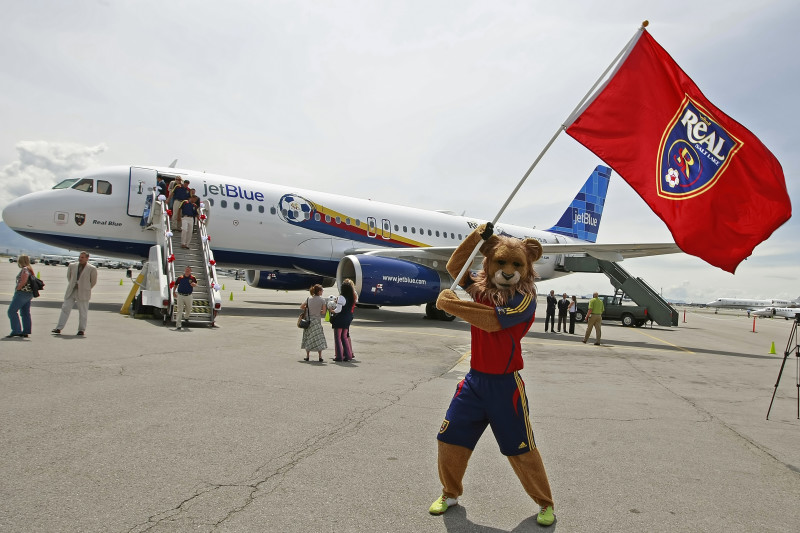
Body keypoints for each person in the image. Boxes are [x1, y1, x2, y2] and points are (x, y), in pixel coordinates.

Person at [52, 251, 98, 336]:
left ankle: (81, 330)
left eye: (82, 257)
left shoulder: (92, 268)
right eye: (80, 257)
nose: (80, 259)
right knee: (65, 308)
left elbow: (93, 281)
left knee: (83, 312)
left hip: (83, 292)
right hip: (71, 291)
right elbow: (69, 277)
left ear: (87, 258)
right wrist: (74, 284)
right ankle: (58, 328)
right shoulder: (72, 266)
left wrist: (86, 288)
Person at [7, 255, 35, 338]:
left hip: (22, 293)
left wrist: (18, 288)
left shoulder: (25, 269)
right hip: (29, 294)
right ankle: (26, 331)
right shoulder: (30, 269)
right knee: (25, 313)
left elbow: (24, 280)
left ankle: (16, 330)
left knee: (11, 311)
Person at [330, 279, 357, 362]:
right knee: (344, 337)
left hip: (340, 318)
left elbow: (338, 310)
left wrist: (332, 310)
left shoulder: (342, 297)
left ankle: (339, 356)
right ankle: (348, 355)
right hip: (348, 317)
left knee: (338, 338)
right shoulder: (352, 297)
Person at [300, 284, 328, 362]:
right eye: (322, 290)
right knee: (318, 338)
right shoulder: (322, 300)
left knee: (308, 337)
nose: (322, 291)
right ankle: (320, 356)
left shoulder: (309, 299)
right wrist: (318, 310)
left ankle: (307, 356)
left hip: (309, 321)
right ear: (319, 291)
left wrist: (308, 308)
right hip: (317, 321)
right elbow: (324, 312)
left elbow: (301, 307)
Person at [173, 266, 197, 331]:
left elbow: (196, 284)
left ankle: (186, 316)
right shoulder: (180, 278)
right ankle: (178, 325)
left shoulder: (193, 278)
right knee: (179, 310)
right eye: (186, 270)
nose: (187, 271)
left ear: (190, 271)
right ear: (184, 271)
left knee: (189, 308)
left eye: (188, 270)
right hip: (180, 295)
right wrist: (174, 292)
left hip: (188, 295)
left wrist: (194, 285)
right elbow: (176, 284)